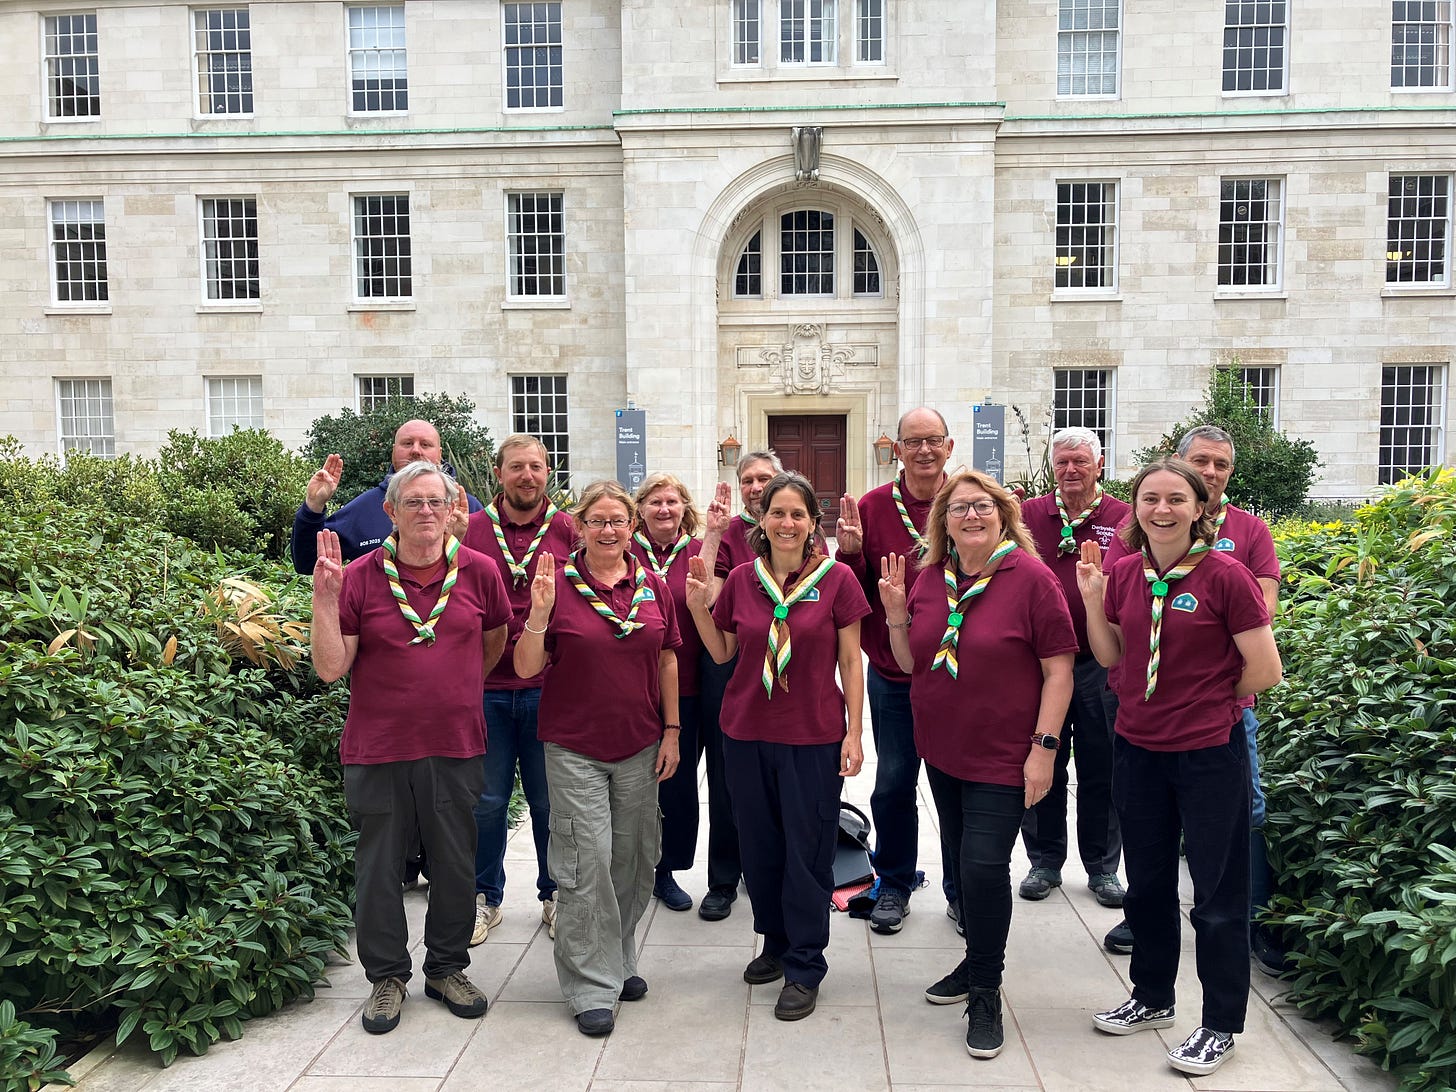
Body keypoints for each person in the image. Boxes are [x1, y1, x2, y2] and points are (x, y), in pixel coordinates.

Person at [1079, 457, 1281, 1077]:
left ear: (1199, 510)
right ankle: (1152, 996)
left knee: (1217, 895)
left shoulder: (1226, 575)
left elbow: (1265, 668)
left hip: (1207, 753)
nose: (1161, 509)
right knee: (1147, 883)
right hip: (1138, 746)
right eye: (1149, 498)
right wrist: (1092, 600)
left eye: (1174, 499)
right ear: (1134, 508)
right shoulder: (1123, 573)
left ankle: (1220, 1021)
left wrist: (1213, 708)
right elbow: (1111, 652)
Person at [878, 469, 1075, 1059]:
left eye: (981, 506)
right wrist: (893, 614)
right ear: (943, 521)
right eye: (959, 507)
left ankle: (986, 992)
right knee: (965, 869)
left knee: (986, 869)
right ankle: (973, 965)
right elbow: (910, 659)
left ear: (1002, 514)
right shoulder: (931, 579)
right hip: (943, 747)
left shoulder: (1031, 578)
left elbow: (1059, 670)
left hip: (1005, 754)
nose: (971, 516)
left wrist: (1044, 749)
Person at [310, 460, 510, 1035]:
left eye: (436, 502)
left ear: (455, 511)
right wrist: (325, 599)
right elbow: (330, 668)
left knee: (455, 863)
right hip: (378, 747)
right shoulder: (362, 575)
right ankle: (388, 977)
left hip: (455, 744)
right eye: (413, 502)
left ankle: (446, 967)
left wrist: (451, 690)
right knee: (378, 867)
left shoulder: (480, 571)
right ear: (391, 512)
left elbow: (491, 643)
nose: (426, 511)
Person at [686, 472, 869, 1022]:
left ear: (815, 523)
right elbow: (720, 652)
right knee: (759, 846)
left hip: (811, 737)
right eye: (777, 513)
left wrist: (854, 733)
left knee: (807, 850)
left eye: (798, 514)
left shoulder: (837, 581)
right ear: (760, 521)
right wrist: (699, 605)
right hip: (745, 733)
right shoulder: (743, 579)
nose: (787, 523)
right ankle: (774, 941)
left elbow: (850, 662)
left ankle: (806, 962)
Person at [514, 480, 681, 1038]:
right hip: (573, 746)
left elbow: (666, 662)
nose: (609, 530)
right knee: (586, 862)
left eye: (618, 520)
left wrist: (673, 730)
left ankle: (618, 957)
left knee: (633, 860)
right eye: (597, 521)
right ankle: (589, 983)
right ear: (579, 527)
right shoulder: (554, 585)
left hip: (639, 743)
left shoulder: (652, 584)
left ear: (631, 526)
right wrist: (537, 615)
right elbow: (524, 667)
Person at [835, 407, 961, 935]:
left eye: (933, 440)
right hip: (894, 675)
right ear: (898, 451)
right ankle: (894, 881)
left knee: (958, 787)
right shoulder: (871, 507)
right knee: (891, 784)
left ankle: (962, 891)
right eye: (914, 442)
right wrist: (854, 555)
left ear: (949, 446)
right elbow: (852, 593)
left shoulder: (970, 501)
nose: (924, 451)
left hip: (959, 674)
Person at [457, 435, 576, 947]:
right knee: (487, 801)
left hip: (551, 687)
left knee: (551, 802)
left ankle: (553, 895)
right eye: (516, 467)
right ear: (498, 472)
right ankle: (487, 898)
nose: (527, 475)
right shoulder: (472, 530)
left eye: (536, 466)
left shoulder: (571, 529)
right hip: (485, 685)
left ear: (547, 471)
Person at [1016, 427, 1130, 909]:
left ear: (1099, 465)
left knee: (1103, 763)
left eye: (1080, 462)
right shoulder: (1028, 514)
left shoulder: (1123, 517)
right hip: (1043, 663)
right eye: (1061, 462)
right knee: (1046, 758)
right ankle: (1044, 860)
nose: (1070, 471)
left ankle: (1103, 868)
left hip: (1101, 661)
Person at [691, 449, 782, 922]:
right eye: (747, 479)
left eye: (763, 478)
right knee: (729, 776)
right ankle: (724, 879)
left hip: (785, 668)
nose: (754, 486)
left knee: (780, 775)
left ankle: (770, 870)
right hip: (729, 665)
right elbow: (709, 597)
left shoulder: (796, 526)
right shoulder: (727, 534)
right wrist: (709, 536)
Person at [630, 473, 706, 912]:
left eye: (672, 502)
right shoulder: (621, 549)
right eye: (655, 502)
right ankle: (632, 865)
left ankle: (667, 870)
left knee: (676, 783)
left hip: (689, 684)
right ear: (640, 509)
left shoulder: (698, 552)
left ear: (683, 508)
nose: (664, 509)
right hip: (633, 688)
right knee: (634, 783)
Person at [290, 418, 483, 575]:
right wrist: (313, 507)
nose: (416, 450)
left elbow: (491, 574)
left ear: (439, 454)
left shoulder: (468, 509)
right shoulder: (362, 509)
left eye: (425, 444)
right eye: (407, 443)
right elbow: (307, 562)